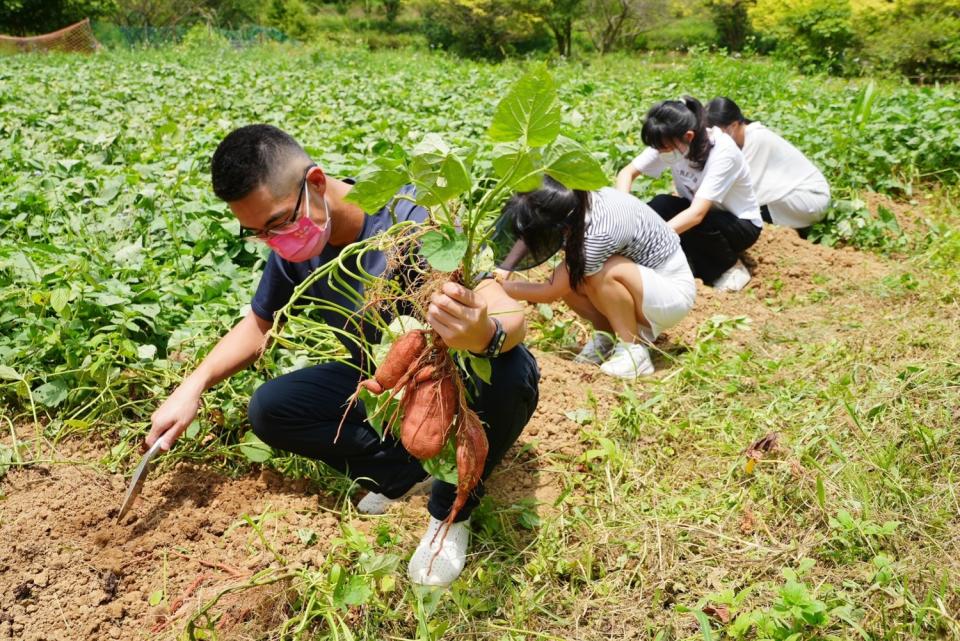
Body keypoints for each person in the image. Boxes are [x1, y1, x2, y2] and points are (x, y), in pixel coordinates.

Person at [145, 124, 539, 588]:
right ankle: (405, 476)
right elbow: (259, 323)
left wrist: (482, 333)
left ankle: (450, 514)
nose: (275, 240)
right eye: (257, 233)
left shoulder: (410, 215)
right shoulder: (294, 243)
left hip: (455, 372)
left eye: (276, 224)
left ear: (315, 183)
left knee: (509, 374)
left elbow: (508, 310)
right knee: (271, 409)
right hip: (384, 376)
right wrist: (192, 385)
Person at [494, 177, 695, 380]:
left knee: (601, 273)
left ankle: (633, 353)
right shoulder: (575, 201)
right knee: (572, 279)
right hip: (646, 285)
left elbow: (549, 292)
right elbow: (533, 225)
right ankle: (606, 338)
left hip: (670, 295)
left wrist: (496, 286)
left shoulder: (598, 235)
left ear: (560, 224)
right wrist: (503, 270)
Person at [616, 96, 762, 292]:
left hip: (740, 225)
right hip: (704, 216)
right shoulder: (668, 141)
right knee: (661, 205)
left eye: (664, 148)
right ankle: (685, 260)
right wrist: (623, 214)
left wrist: (650, 239)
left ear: (689, 136)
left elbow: (697, 214)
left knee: (695, 223)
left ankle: (728, 267)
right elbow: (628, 172)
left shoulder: (722, 151)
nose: (660, 153)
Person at [706, 96, 830, 237]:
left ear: (733, 126)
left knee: (735, 211)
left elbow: (741, 190)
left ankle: (792, 230)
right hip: (792, 196)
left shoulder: (756, 139)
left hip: (809, 199)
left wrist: (701, 203)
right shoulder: (741, 141)